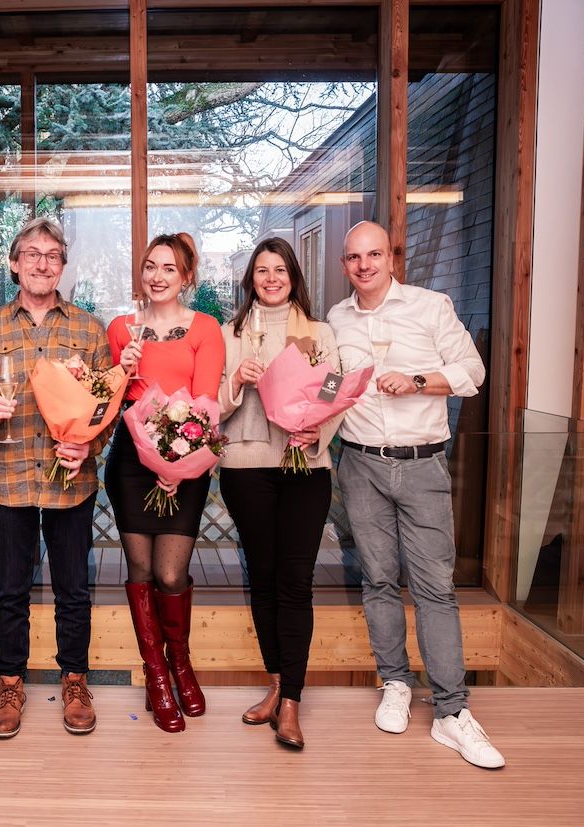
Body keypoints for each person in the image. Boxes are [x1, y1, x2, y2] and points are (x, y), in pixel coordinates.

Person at [327, 220, 504, 769]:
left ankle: (452, 711)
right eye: (354, 257)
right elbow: (332, 381)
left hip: (423, 464)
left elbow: (473, 371)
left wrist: (418, 380)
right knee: (378, 580)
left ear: (391, 257)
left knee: (435, 589)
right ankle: (396, 683)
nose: (364, 265)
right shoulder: (337, 318)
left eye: (374, 254)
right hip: (360, 465)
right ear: (345, 264)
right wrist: (312, 411)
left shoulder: (431, 307)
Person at [0, 217, 112, 739]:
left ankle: (75, 682)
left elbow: (106, 411)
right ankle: (10, 685)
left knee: (74, 591)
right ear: (14, 263)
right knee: (10, 592)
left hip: (71, 481)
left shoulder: (89, 330)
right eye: (32, 254)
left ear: (62, 267)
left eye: (52, 256)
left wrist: (90, 445)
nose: (42, 264)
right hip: (8, 481)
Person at [217, 237, 342, 749]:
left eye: (280, 271)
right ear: (251, 279)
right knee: (263, 579)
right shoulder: (229, 334)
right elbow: (211, 405)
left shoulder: (319, 332)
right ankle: (275, 684)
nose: (271, 279)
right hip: (246, 467)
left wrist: (319, 428)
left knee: (296, 581)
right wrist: (234, 383)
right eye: (262, 271)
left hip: (304, 466)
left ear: (293, 277)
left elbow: (335, 388)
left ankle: (291, 698)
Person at [105, 232, 226, 733]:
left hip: (186, 457)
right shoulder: (121, 329)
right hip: (131, 462)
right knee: (140, 568)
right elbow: (110, 402)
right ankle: (156, 677)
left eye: (169, 268)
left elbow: (207, 403)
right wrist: (120, 371)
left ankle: (181, 664)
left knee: (171, 574)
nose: (157, 276)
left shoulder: (206, 328)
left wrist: (178, 464)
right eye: (150, 266)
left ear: (186, 277)